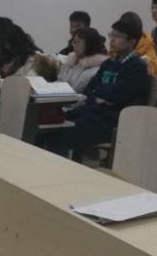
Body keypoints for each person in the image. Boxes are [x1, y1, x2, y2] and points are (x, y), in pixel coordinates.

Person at [37, 19, 150, 157]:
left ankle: (58, 168)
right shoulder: (109, 63)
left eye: (118, 36)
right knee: (46, 127)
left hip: (112, 120)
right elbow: (89, 90)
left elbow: (118, 95)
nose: (112, 39)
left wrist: (99, 93)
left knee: (60, 135)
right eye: (112, 34)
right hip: (92, 111)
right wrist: (101, 95)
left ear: (131, 42)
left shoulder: (137, 67)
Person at [58, 27, 108, 92]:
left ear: (89, 44)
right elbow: (59, 81)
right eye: (74, 42)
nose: (74, 46)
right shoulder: (70, 62)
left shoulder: (96, 69)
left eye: (78, 42)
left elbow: (76, 90)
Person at [118, 11, 157, 80]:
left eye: (120, 35)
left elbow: (152, 77)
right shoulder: (118, 47)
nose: (114, 39)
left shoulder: (148, 53)